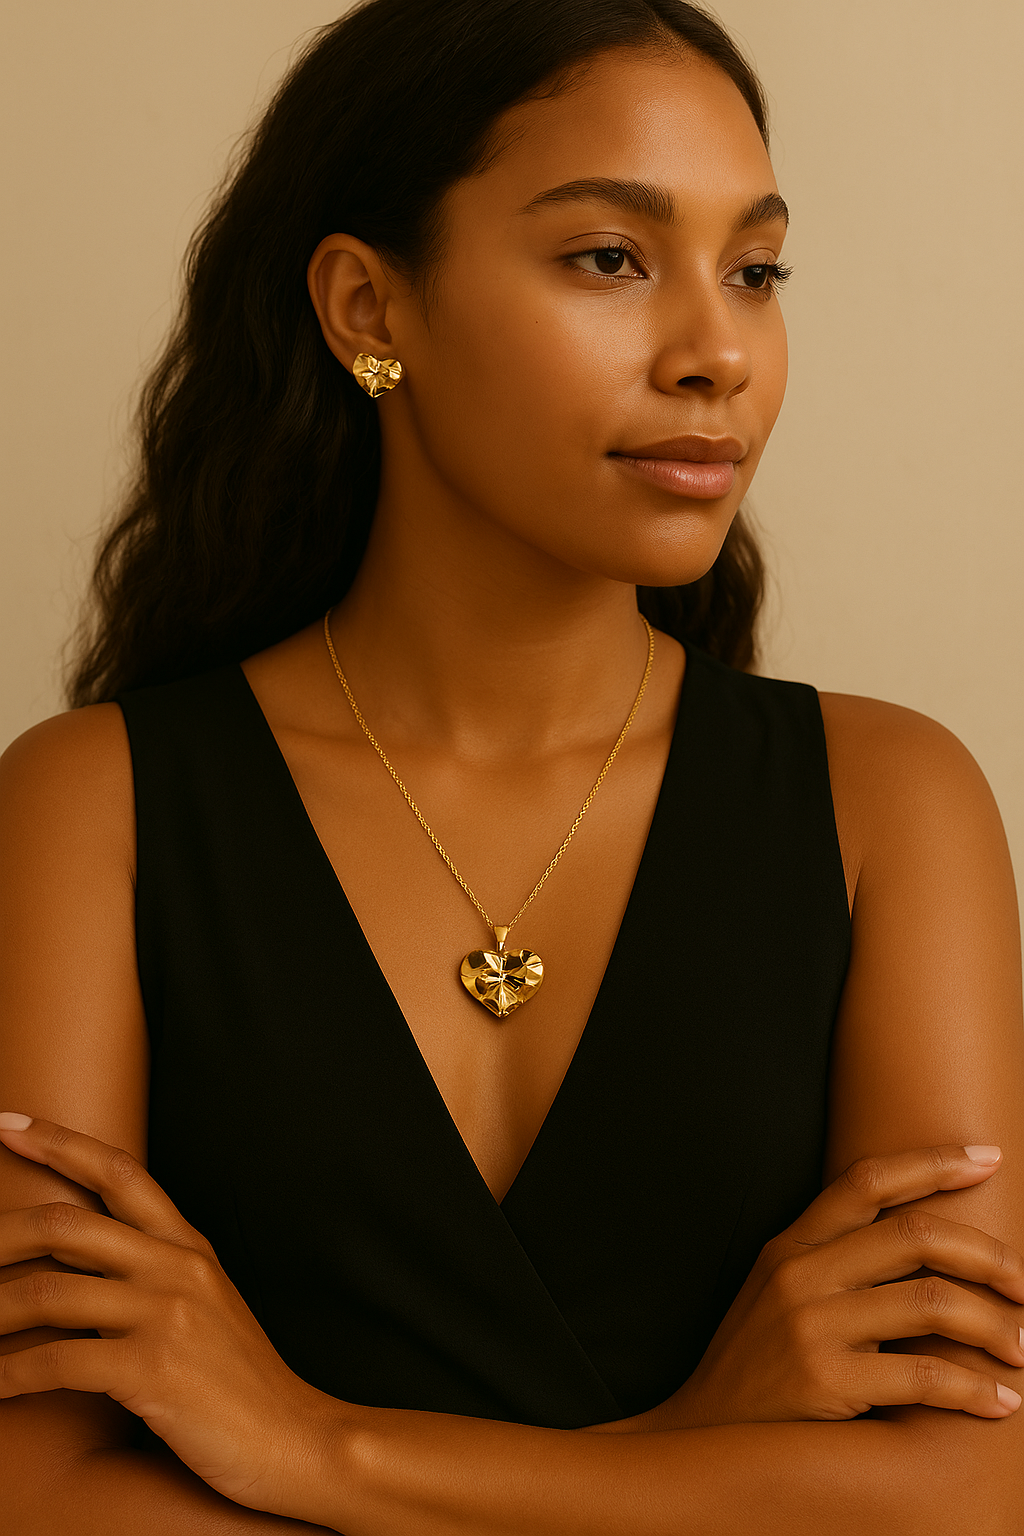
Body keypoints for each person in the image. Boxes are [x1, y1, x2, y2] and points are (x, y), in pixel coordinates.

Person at [1, 0, 1022, 1530]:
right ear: (369, 309)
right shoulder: (93, 807)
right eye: (611, 258)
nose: (718, 354)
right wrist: (687, 1451)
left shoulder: (890, 805)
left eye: (755, 271)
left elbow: (966, 1492)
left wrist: (312, 1449)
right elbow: (40, 1495)